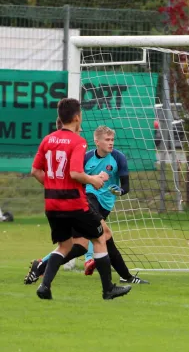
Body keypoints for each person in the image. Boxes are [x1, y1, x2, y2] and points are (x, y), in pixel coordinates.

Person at [30, 98, 131, 300]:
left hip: (52, 204)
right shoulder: (78, 141)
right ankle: (108, 289)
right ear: (77, 117)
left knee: (65, 246)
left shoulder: (48, 139)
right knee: (100, 237)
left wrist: (54, 187)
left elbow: (35, 171)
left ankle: (44, 285)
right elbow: (76, 173)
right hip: (74, 204)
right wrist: (93, 180)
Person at [25, 125, 148, 285]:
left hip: (105, 205)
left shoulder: (119, 158)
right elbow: (75, 177)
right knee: (105, 235)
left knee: (80, 246)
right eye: (107, 140)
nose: (111, 143)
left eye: (112, 140)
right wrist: (93, 178)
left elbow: (126, 187)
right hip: (87, 199)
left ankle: (41, 266)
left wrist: (119, 191)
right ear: (97, 141)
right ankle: (123, 278)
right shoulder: (86, 156)